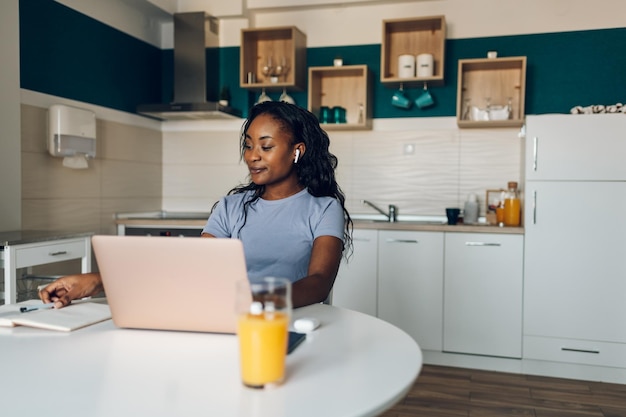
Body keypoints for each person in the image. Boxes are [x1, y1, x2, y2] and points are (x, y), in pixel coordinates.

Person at [40, 101, 353, 309]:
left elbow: (318, 283)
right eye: (248, 145)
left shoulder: (323, 209)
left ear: (297, 151)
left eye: (266, 146)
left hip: (290, 323)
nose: (252, 155)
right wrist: (98, 281)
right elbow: (189, 268)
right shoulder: (231, 207)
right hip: (227, 318)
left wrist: (250, 300)